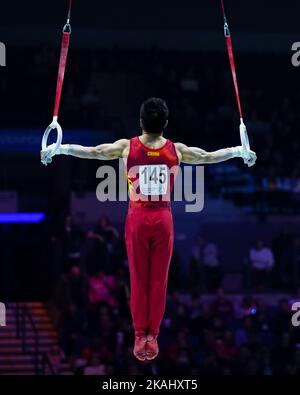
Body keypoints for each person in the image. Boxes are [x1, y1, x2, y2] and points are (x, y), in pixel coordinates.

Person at [41, 97, 257, 361]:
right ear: (165, 123)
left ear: (140, 122)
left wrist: (59, 149)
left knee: (139, 279)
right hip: (163, 218)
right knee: (158, 281)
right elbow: (209, 157)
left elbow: (93, 151)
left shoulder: (125, 147)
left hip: (138, 218)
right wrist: (239, 151)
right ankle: (151, 335)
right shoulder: (175, 150)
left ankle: (139, 335)